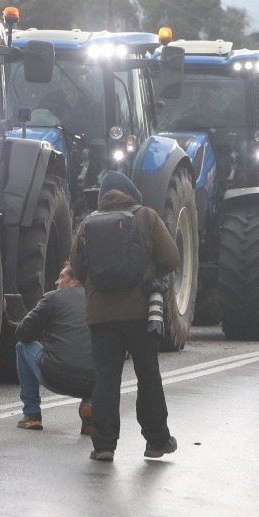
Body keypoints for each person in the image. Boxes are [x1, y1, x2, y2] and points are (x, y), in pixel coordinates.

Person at [70, 171, 181, 462]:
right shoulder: (146, 217)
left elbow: (77, 268)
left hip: (101, 317)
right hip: (140, 313)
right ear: (130, 192)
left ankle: (104, 445)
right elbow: (171, 258)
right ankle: (156, 441)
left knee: (106, 378)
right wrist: (147, 272)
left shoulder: (87, 224)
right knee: (148, 375)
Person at [14, 263, 96, 434]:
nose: (56, 282)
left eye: (62, 277)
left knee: (22, 347)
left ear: (75, 281)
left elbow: (23, 332)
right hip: (93, 382)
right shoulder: (99, 302)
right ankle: (91, 407)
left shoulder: (52, 298)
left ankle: (32, 414)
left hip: (56, 375)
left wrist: (44, 334)